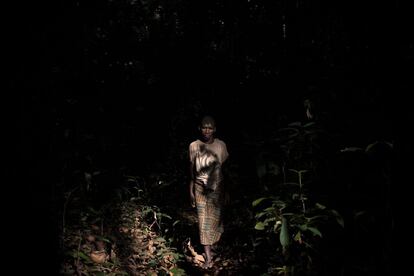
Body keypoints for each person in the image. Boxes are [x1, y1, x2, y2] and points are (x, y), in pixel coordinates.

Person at [188, 115, 229, 269]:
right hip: (199, 187)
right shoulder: (194, 146)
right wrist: (190, 189)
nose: (207, 130)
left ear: (214, 129)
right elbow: (191, 170)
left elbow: (225, 170)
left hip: (217, 187)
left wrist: (227, 191)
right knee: (203, 222)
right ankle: (209, 257)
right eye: (204, 127)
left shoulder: (220, 146)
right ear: (200, 128)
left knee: (216, 221)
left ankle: (214, 245)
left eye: (210, 127)